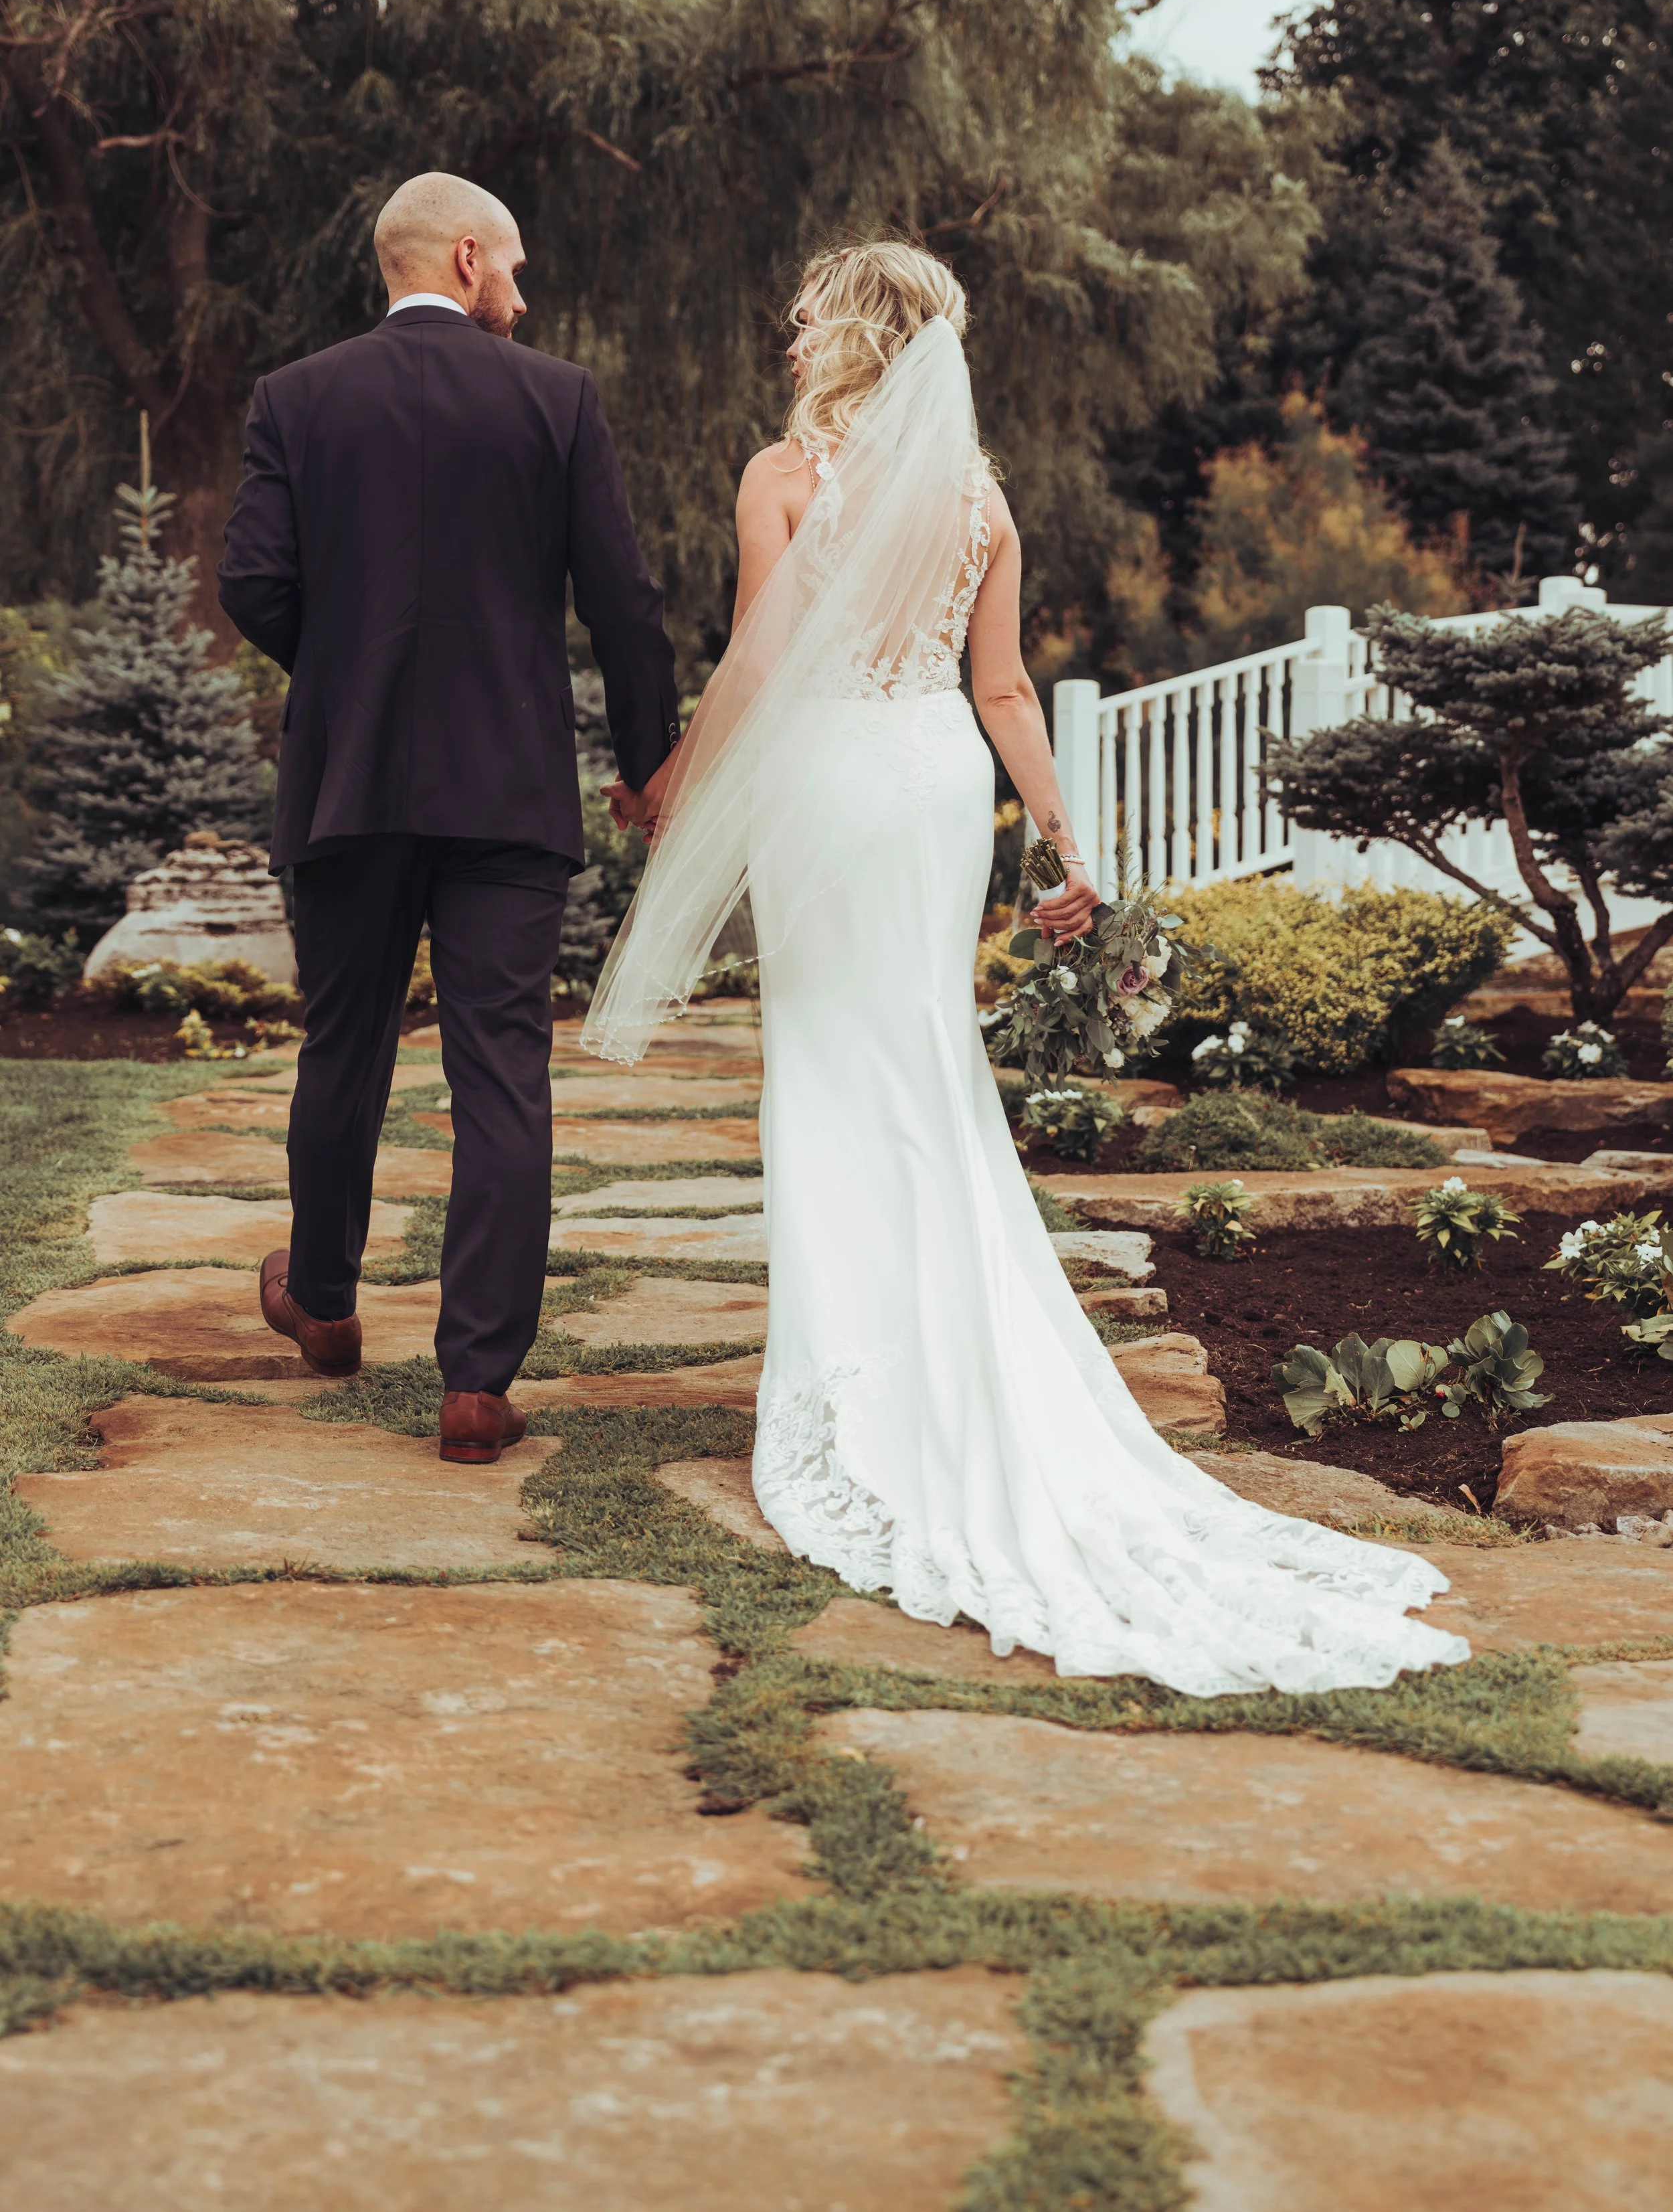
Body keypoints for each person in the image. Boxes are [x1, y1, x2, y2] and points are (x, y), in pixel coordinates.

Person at [586, 241, 1468, 1693]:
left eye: (806, 316)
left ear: (855, 338)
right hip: (937, 783)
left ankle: (848, 1383)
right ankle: (937, 1345)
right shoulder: (978, 498)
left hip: (829, 777)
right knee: (923, 1056)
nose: (791, 335)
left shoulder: (785, 478)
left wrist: (678, 780)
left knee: (832, 1063)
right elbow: (997, 688)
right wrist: (1066, 849)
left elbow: (756, 658)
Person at [218, 172, 679, 1462]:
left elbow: (251, 580)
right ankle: (477, 1381)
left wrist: (351, 667)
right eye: (514, 273)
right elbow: (624, 603)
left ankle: (320, 1297)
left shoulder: (294, 399)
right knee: (501, 1071)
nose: (522, 302)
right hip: (509, 785)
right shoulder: (557, 400)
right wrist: (651, 764)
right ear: (466, 256)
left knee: (343, 1044)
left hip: (348, 783)